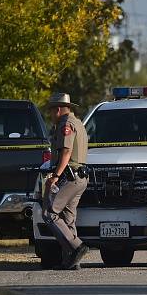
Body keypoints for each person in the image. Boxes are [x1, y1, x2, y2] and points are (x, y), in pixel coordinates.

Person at [43, 92, 90, 270]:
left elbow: (66, 152)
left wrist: (55, 176)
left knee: (49, 213)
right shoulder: (78, 122)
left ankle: (78, 246)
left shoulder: (66, 124)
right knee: (68, 218)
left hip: (70, 176)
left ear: (58, 109)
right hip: (80, 177)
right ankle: (71, 261)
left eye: (51, 111)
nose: (50, 115)